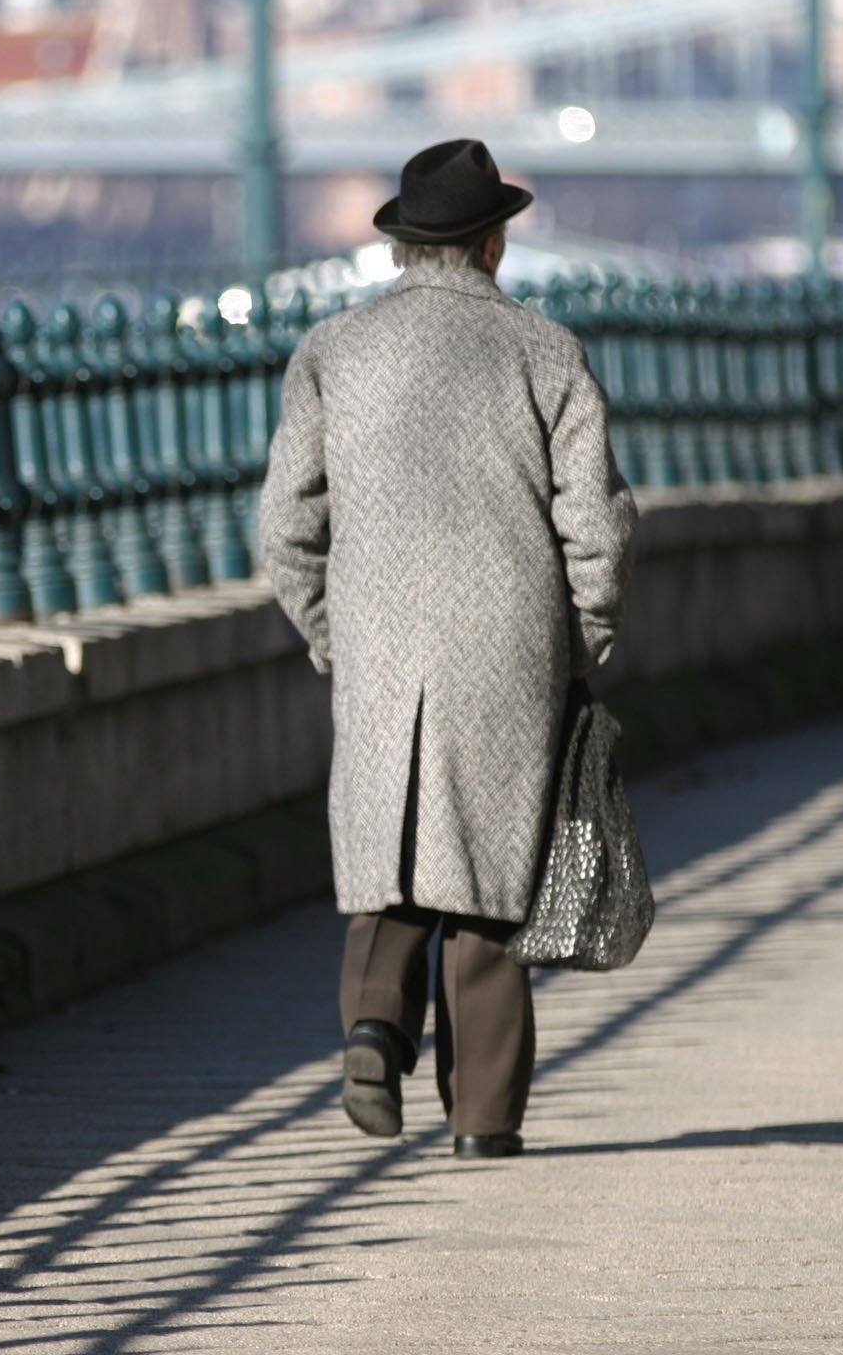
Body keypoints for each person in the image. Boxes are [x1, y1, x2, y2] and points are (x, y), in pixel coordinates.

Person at [258, 139, 638, 1159]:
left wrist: (333, 632)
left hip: (379, 638)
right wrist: (579, 641)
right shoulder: (542, 350)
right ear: (491, 243)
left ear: (400, 247)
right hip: (509, 641)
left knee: (394, 853)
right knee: (490, 875)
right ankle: (482, 1120)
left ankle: (374, 1025)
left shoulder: (331, 352)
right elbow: (595, 527)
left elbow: (282, 532)